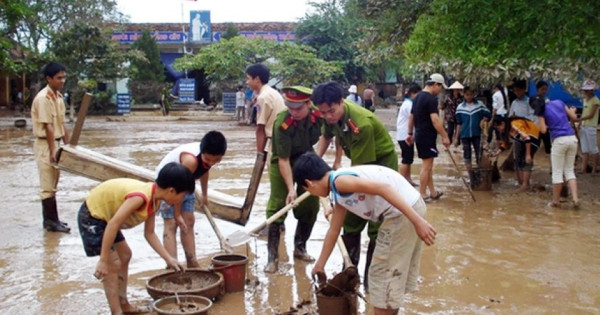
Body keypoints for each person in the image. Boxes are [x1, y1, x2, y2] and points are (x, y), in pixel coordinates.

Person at [292, 152, 436, 315]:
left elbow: (384, 188)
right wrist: (320, 265)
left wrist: (417, 221)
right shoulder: (338, 185)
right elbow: (334, 230)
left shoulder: (341, 182)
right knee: (389, 274)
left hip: (403, 214)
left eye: (309, 191)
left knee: (380, 274)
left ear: (309, 183)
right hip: (410, 206)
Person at [78, 162, 195, 314]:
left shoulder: (156, 199)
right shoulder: (140, 198)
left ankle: (124, 304)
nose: (182, 199)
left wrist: (168, 259)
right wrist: (103, 260)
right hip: (93, 215)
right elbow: (113, 225)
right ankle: (116, 312)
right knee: (113, 264)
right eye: (183, 195)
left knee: (125, 255)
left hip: (107, 218)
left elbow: (149, 233)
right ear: (172, 191)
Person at [313, 81, 397, 291]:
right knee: (351, 222)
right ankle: (350, 273)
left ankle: (371, 282)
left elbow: (359, 175)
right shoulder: (330, 115)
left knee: (376, 221)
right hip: (360, 164)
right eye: (323, 113)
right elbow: (326, 136)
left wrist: (338, 203)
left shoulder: (361, 124)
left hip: (380, 166)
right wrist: (312, 164)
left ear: (342, 102)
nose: (328, 116)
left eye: (331, 111)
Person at [264, 86, 324, 273]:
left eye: (298, 108)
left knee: (311, 203)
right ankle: (272, 258)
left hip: (306, 157)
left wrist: (321, 162)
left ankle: (300, 247)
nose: (294, 112)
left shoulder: (318, 116)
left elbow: (329, 136)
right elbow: (283, 160)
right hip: (283, 160)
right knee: (278, 204)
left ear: (309, 104)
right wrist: (291, 188)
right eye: (290, 107)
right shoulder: (282, 122)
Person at [156, 131, 227, 268]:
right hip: (168, 185)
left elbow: (204, 170)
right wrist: (177, 215)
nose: (211, 162)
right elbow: (178, 188)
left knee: (188, 222)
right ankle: (172, 265)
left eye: (216, 160)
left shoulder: (207, 159)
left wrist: (204, 195)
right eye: (208, 159)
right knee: (171, 223)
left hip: (187, 182)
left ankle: (192, 262)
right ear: (202, 152)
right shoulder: (191, 160)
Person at [31, 62, 71, 233]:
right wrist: (53, 152)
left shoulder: (59, 97)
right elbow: (48, 127)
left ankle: (53, 220)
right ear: (49, 79)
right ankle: (50, 222)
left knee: (54, 182)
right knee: (47, 184)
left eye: (63, 77)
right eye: (58, 78)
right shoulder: (43, 98)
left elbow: (61, 124)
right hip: (45, 144)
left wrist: (69, 147)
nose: (62, 81)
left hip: (56, 143)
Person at [406, 73, 450, 201]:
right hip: (427, 135)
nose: (440, 90)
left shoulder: (417, 97)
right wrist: (445, 136)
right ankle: (422, 195)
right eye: (440, 87)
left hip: (419, 134)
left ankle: (432, 192)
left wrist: (410, 134)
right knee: (426, 167)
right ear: (436, 85)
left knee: (428, 165)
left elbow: (411, 117)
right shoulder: (431, 99)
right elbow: (435, 120)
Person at [537, 100, 580, 208]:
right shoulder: (559, 102)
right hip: (572, 138)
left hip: (559, 140)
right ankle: (575, 199)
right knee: (570, 170)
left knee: (557, 172)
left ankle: (555, 201)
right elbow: (574, 118)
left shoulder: (541, 111)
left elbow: (543, 130)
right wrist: (573, 111)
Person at [245, 63, 286, 152]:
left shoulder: (263, 97)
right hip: (283, 139)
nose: (247, 82)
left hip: (276, 144)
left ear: (257, 79)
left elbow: (260, 130)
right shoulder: (273, 92)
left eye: (248, 78)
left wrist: (259, 156)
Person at [493, 116, 540, 192]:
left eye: (498, 128)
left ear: (502, 123)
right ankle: (520, 183)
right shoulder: (507, 129)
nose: (499, 130)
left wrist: (528, 154)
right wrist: (498, 151)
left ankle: (525, 185)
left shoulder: (515, 125)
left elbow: (527, 138)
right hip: (522, 140)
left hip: (532, 139)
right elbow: (507, 144)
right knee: (517, 160)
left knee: (526, 161)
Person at [455, 86, 491, 168]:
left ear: (474, 94)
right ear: (463, 95)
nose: (469, 96)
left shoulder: (479, 105)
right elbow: (458, 123)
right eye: (467, 95)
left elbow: (488, 115)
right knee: (467, 154)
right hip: (465, 134)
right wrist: (456, 138)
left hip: (477, 133)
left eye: (471, 94)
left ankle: (480, 170)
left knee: (479, 153)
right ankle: (470, 171)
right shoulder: (460, 107)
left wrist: (484, 119)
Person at [396, 84, 422, 185]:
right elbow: (415, 118)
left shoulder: (409, 103)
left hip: (405, 135)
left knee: (409, 158)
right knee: (406, 159)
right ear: (412, 94)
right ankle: (401, 182)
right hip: (405, 135)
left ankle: (408, 180)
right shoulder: (409, 105)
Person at [577, 80, 599, 174]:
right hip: (584, 125)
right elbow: (584, 112)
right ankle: (583, 169)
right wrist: (580, 123)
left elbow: (591, 115)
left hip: (591, 126)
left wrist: (579, 120)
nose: (586, 92)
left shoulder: (595, 101)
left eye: (587, 90)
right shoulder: (585, 100)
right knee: (584, 148)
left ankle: (594, 169)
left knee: (593, 148)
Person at [530, 81, 552, 156]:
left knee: (548, 146)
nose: (544, 91)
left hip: (545, 126)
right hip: (536, 126)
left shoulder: (547, 99)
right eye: (542, 89)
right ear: (538, 89)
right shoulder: (534, 99)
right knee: (534, 145)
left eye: (545, 89)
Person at [440, 81, 464, 145]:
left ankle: (457, 144)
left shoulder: (462, 98)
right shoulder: (448, 97)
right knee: (450, 131)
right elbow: (444, 107)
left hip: (459, 116)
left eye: (458, 89)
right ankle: (449, 143)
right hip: (450, 116)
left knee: (458, 131)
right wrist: (443, 118)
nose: (456, 90)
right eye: (455, 89)